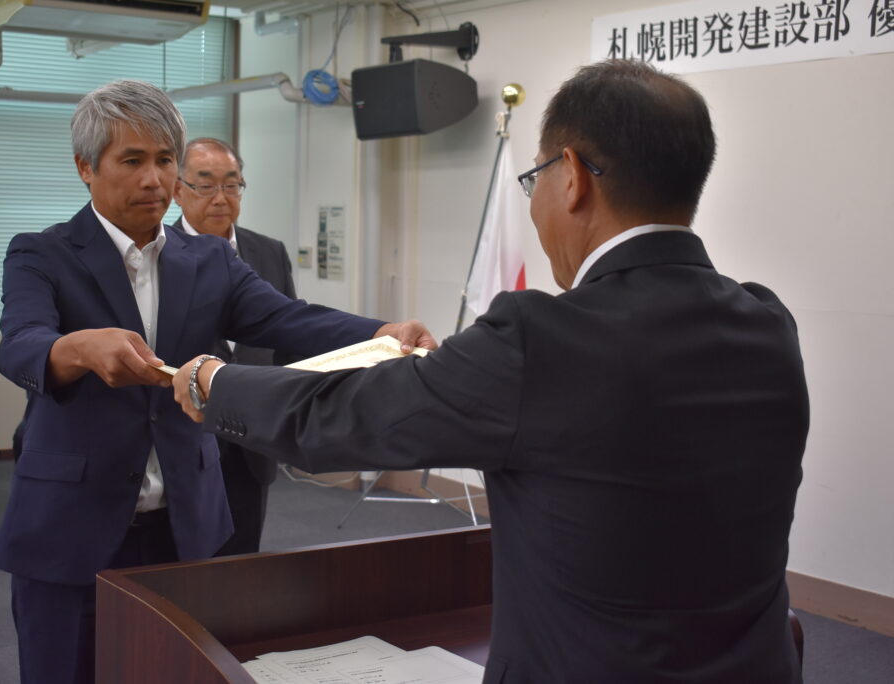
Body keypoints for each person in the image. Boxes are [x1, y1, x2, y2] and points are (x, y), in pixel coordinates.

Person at [173, 60, 809, 683]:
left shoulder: (541, 340)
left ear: (572, 177)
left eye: (535, 180)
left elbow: (337, 418)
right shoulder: (767, 323)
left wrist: (211, 379)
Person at [0, 79, 435, 684]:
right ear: (85, 168)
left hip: (184, 524)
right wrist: (77, 348)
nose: (154, 179)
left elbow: (290, 319)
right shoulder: (41, 254)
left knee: (178, 672)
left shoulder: (209, 259)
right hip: (70, 525)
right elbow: (20, 344)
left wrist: (383, 331)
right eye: (132, 160)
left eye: (164, 160)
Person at [171, 137, 296, 555]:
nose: (221, 198)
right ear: (178, 190)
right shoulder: (155, 252)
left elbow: (289, 337)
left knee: (243, 563)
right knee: (181, 567)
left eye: (231, 185)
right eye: (206, 185)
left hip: (253, 438)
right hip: (184, 438)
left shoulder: (269, 252)